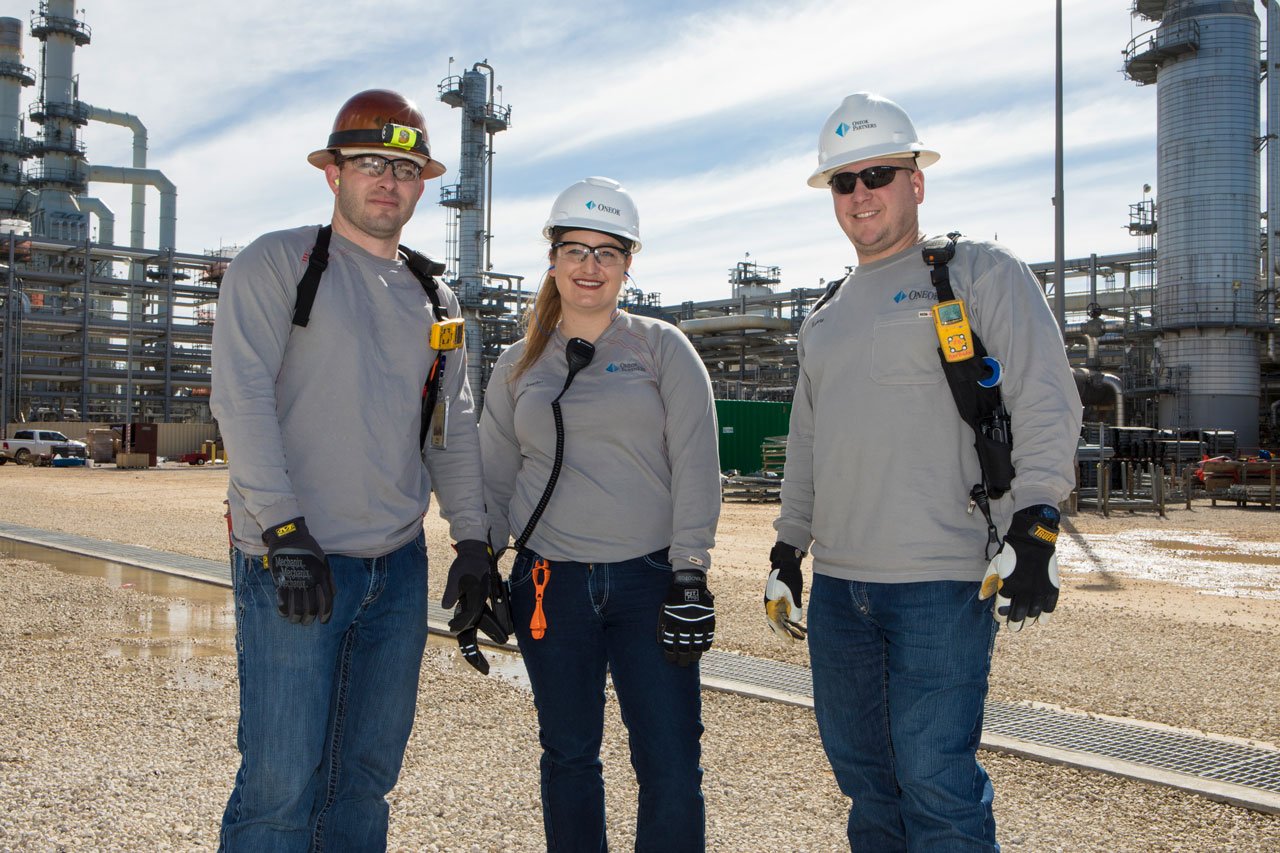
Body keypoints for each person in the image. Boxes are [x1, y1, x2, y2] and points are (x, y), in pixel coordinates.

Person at [764, 93, 1082, 850]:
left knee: (937, 785)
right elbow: (807, 445)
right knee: (869, 786)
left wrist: (1036, 519)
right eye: (844, 181)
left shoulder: (977, 274)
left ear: (917, 180)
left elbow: (1044, 395)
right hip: (841, 593)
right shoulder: (825, 317)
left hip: (942, 583)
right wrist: (787, 548)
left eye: (878, 172)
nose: (860, 193)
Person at [211, 89, 495, 851]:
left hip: (395, 572)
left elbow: (451, 427)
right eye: (369, 162)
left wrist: (473, 542)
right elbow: (240, 398)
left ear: (423, 184)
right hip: (293, 559)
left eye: (404, 168)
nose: (387, 180)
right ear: (333, 172)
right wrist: (282, 526)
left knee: (364, 781)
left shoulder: (436, 296)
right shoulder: (278, 264)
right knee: (280, 782)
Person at [479, 176, 721, 852]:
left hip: (650, 582)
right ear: (552, 259)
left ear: (628, 263)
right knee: (569, 755)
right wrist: (477, 554)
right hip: (549, 584)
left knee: (671, 760)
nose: (590, 266)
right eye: (575, 249)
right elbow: (494, 475)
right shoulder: (516, 365)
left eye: (607, 252)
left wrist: (691, 572)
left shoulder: (662, 347)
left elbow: (697, 466)